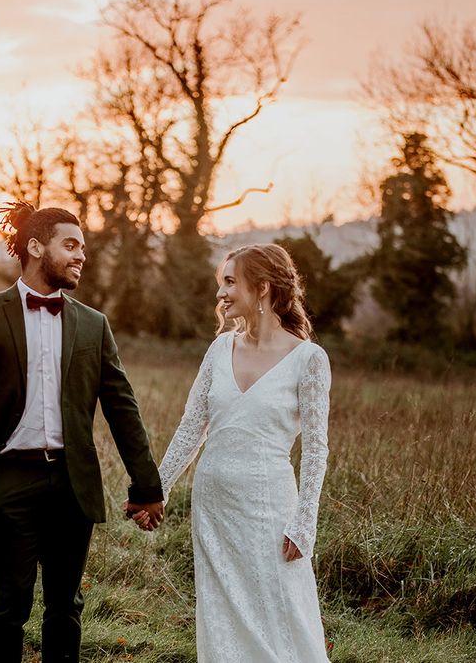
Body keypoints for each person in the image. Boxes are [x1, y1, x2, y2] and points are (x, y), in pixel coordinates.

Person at [0, 203, 164, 663]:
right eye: (71, 245)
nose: (82, 256)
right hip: (7, 481)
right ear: (36, 247)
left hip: (71, 483)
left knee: (66, 607)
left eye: (83, 248)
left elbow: (122, 407)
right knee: (10, 607)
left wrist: (147, 485)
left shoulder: (93, 324)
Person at [131, 243, 331, 662]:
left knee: (281, 608)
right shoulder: (219, 349)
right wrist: (157, 491)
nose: (220, 293)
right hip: (214, 507)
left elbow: (315, 450)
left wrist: (304, 522)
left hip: (271, 508)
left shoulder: (309, 360)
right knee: (222, 610)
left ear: (261, 287)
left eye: (229, 282)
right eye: (220, 283)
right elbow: (191, 429)